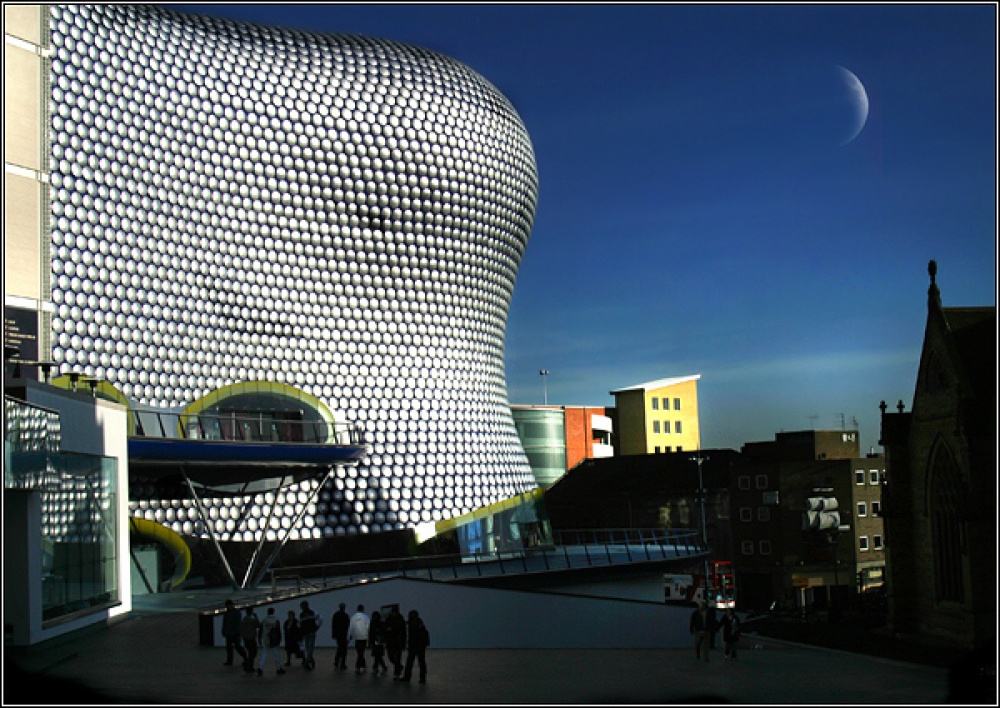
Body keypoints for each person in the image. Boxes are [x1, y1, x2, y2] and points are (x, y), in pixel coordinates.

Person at [396, 609, 429, 683]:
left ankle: (408, 677)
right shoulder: (419, 623)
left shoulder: (413, 624)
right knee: (420, 662)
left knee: (411, 662)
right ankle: (422, 678)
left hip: (415, 645)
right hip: (419, 646)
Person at [257, 606, 285, 676]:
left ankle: (260, 667)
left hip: (265, 639)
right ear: (273, 612)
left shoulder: (264, 620)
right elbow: (278, 631)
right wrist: (280, 639)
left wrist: (259, 639)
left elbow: (260, 630)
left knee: (264, 654)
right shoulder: (276, 620)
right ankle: (279, 668)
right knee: (276, 654)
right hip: (274, 640)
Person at [221, 599, 248, 667]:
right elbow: (224, 623)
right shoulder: (230, 613)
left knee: (237, 647)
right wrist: (224, 630)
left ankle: (245, 658)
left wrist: (237, 631)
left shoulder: (235, 613)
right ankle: (230, 660)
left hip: (235, 633)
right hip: (229, 633)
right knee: (229, 648)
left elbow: (238, 623)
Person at [299, 600, 322, 670]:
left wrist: (301, 633)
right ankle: (310, 660)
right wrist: (317, 627)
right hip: (311, 631)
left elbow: (301, 625)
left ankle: (307, 662)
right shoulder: (312, 612)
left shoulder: (302, 614)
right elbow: (321, 619)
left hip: (306, 632)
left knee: (308, 648)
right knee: (310, 648)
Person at [384, 606, 406, 678]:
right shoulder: (389, 619)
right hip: (391, 640)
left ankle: (397, 673)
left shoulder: (400, 619)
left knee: (397, 657)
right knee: (391, 656)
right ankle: (398, 667)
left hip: (397, 640)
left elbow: (403, 631)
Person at [348, 604, 371, 674]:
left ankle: (359, 666)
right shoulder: (366, 617)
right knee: (361, 652)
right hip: (364, 637)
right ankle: (361, 665)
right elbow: (368, 627)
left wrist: (350, 635)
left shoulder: (353, 617)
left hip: (357, 637)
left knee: (359, 652)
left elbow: (351, 627)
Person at [240, 607, 261, 673]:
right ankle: (249, 665)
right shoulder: (252, 621)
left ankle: (248, 665)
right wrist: (256, 617)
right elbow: (259, 625)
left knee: (250, 652)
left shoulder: (244, 620)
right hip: (251, 638)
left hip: (246, 638)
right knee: (253, 653)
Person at [369, 610, 388, 675]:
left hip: (377, 641)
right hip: (378, 641)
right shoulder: (381, 623)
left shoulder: (373, 623)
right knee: (378, 656)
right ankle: (380, 667)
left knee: (377, 656)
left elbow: (371, 633)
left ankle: (377, 668)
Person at [332, 602, 350, 670]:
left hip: (338, 635)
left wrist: (334, 634)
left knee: (340, 648)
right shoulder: (345, 615)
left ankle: (337, 661)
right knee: (343, 649)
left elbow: (333, 625)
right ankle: (342, 663)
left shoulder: (336, 615)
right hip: (343, 635)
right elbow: (348, 626)